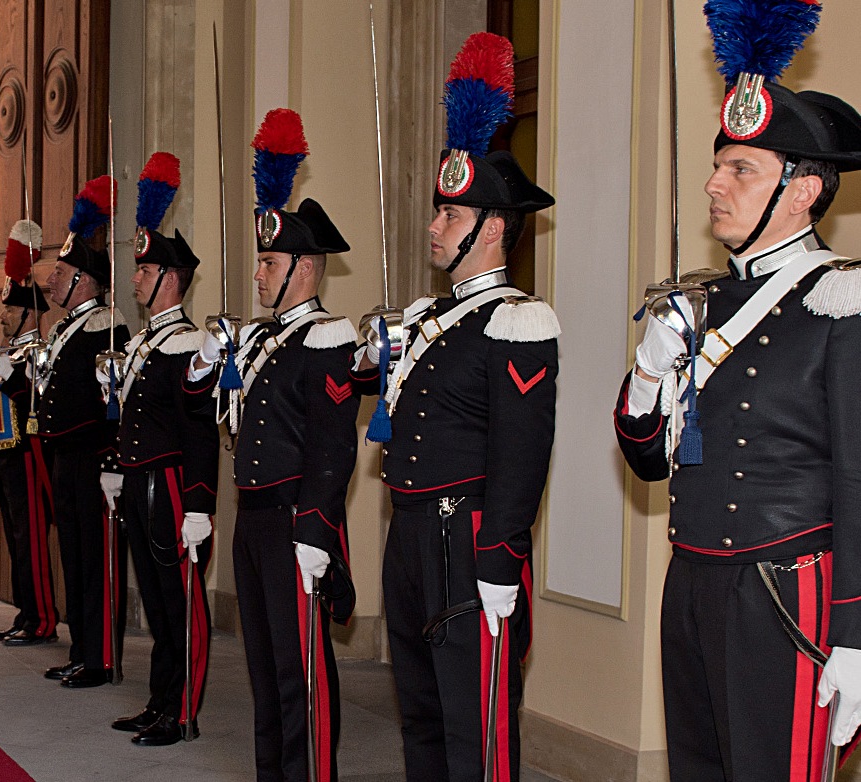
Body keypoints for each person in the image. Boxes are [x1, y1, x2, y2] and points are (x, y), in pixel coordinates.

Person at [613, 6, 861, 776]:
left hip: (785, 592)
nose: (714, 184)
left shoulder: (842, 302)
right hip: (691, 577)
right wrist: (650, 375)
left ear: (801, 190)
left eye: (740, 169)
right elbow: (649, 464)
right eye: (718, 164)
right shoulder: (699, 303)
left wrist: (854, 633)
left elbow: (859, 477)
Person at [352, 32, 558, 781]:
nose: (434, 227)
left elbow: (520, 454)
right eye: (437, 212)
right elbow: (378, 393)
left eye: (450, 215)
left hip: (464, 537)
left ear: (493, 226)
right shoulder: (429, 319)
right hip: (407, 530)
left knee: (475, 722)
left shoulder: (519, 321)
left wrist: (500, 559)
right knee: (422, 713)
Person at [187, 108, 360, 782]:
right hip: (252, 516)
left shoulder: (327, 339)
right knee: (265, 670)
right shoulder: (258, 340)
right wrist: (204, 364)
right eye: (258, 260)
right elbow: (203, 410)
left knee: (301, 672)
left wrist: (317, 529)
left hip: (294, 519)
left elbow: (331, 446)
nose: (257, 274)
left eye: (268, 262)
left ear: (304, 268)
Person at [102, 152, 218, 746]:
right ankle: (158, 700)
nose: (137, 281)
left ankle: (183, 710)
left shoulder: (186, 342)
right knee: (154, 598)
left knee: (180, 603)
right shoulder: (148, 342)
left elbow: (199, 427)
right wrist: (118, 469)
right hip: (141, 481)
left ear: (170, 279)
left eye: (145, 273)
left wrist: (199, 503)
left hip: (172, 485)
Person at [32, 175, 131, 688]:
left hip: (93, 459)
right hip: (64, 456)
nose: (50, 280)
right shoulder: (69, 325)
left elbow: (115, 402)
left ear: (85, 282)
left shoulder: (108, 327)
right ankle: (81, 646)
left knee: (94, 560)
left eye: (61, 272)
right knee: (72, 552)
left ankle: (100, 656)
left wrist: (112, 457)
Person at [0, 219, 60, 646]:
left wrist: (12, 376)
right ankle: (25, 611)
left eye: (12, 310)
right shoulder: (10, 350)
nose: (3, 316)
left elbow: (38, 398)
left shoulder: (40, 351)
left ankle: (43, 619)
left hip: (31, 458)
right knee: (17, 540)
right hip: (5, 455)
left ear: (30, 314)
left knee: (31, 539)